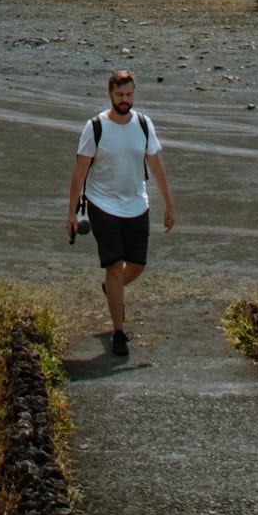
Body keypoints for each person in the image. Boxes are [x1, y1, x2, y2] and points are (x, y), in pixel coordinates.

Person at [66, 69, 175, 356]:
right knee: (114, 265)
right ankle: (118, 331)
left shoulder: (142, 123)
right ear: (110, 95)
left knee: (136, 265)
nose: (125, 100)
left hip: (136, 203)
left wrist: (168, 204)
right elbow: (79, 173)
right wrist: (71, 214)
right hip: (102, 204)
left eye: (129, 95)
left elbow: (156, 165)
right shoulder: (95, 127)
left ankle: (112, 289)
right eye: (119, 95)